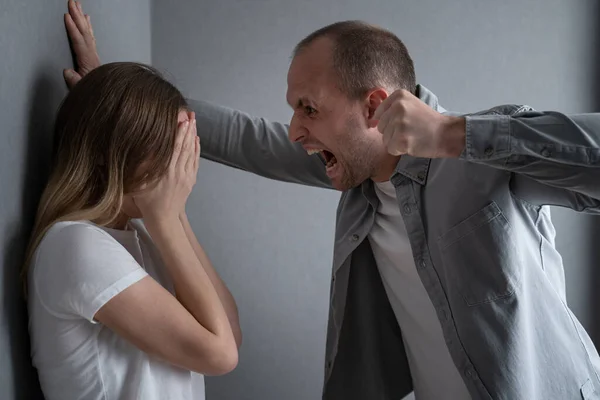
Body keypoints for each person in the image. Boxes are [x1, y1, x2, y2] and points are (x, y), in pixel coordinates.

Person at [63, 1, 600, 399]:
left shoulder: (482, 154)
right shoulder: (357, 170)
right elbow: (252, 140)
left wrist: (456, 136)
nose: (296, 130)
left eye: (309, 109)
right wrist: (124, 100)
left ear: (374, 107)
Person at [25, 60, 242, 400]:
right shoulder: (74, 244)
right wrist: (166, 219)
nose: (176, 163)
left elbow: (230, 332)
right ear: (108, 153)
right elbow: (220, 355)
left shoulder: (144, 238)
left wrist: (176, 213)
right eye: (166, 145)